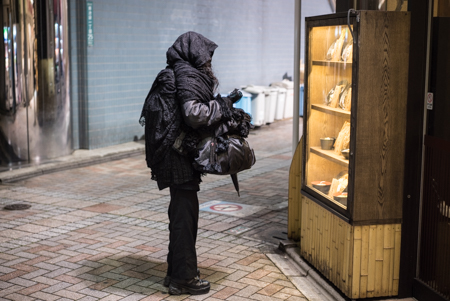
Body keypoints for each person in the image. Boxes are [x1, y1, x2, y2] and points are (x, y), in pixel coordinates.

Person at [139, 32, 240, 296]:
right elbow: (194, 114)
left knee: (179, 214)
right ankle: (183, 279)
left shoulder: (173, 72)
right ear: (194, 53)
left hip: (171, 157)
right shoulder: (185, 76)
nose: (208, 62)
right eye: (206, 56)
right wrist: (222, 106)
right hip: (178, 159)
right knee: (185, 217)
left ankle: (175, 273)